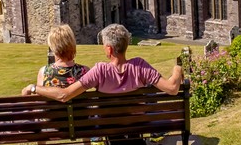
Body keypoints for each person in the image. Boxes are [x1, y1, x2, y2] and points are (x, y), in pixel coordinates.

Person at [22, 23, 184, 101]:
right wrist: (177, 69)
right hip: (138, 123)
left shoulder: (99, 71)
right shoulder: (140, 66)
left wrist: (35, 87)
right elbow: (171, 89)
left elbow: (65, 95)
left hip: (108, 126)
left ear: (108, 49)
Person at [31, 24, 94, 145]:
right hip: (80, 123)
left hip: (52, 125)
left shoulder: (44, 72)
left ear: (53, 48)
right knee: (85, 110)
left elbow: (39, 103)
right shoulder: (85, 71)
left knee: (41, 115)